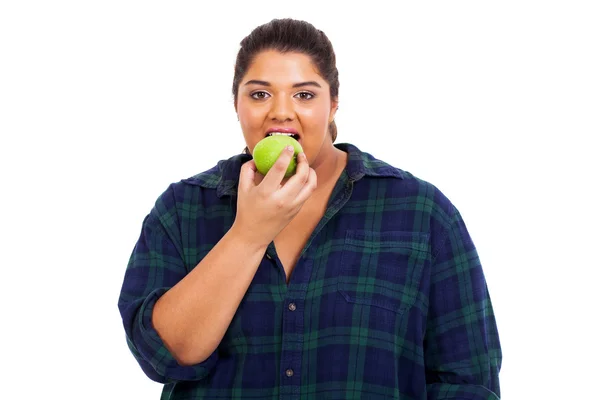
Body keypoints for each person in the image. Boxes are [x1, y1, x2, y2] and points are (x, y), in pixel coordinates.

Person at [117, 18, 502, 400]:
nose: (281, 112)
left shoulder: (422, 214)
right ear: (236, 104)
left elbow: (467, 383)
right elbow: (161, 356)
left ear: (333, 104)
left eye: (304, 95)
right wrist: (248, 234)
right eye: (260, 94)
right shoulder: (182, 210)